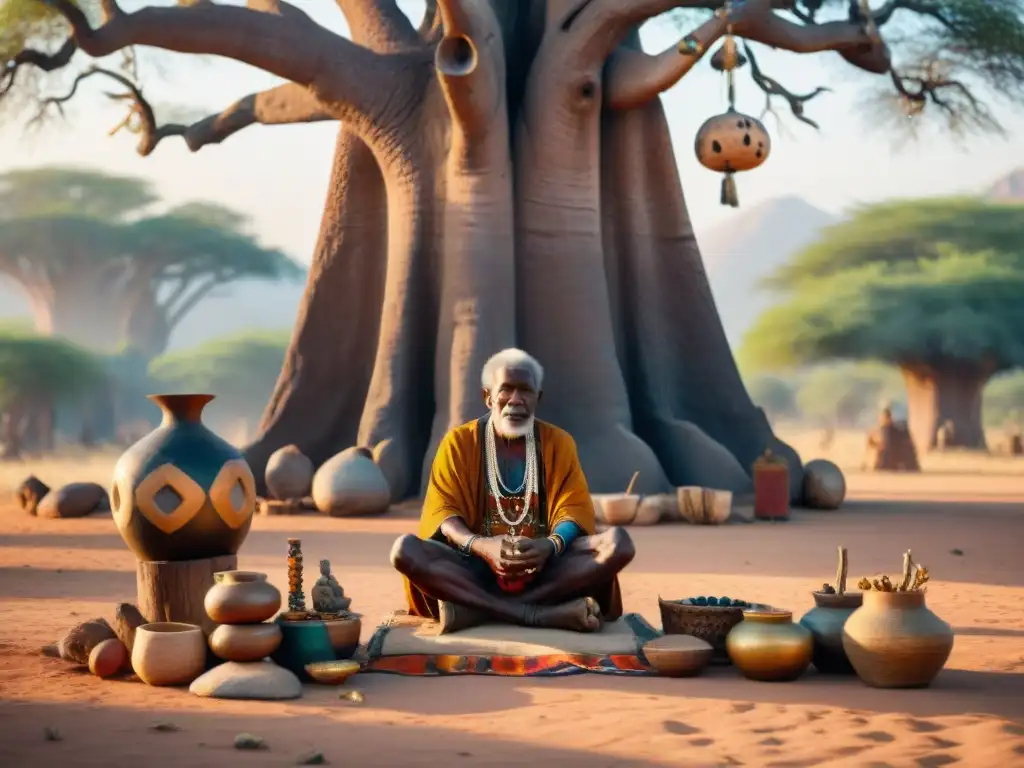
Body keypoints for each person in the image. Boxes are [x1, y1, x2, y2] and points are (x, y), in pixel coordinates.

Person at [390, 348, 635, 634]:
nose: (515, 400)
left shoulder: (558, 442)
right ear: (488, 397)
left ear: (537, 398)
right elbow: (444, 513)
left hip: (544, 566)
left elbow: (573, 510)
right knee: (405, 550)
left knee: (617, 543)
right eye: (506, 389)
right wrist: (483, 546)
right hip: (473, 565)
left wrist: (549, 545)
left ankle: (478, 610)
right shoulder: (458, 442)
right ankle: (533, 613)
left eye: (525, 391)